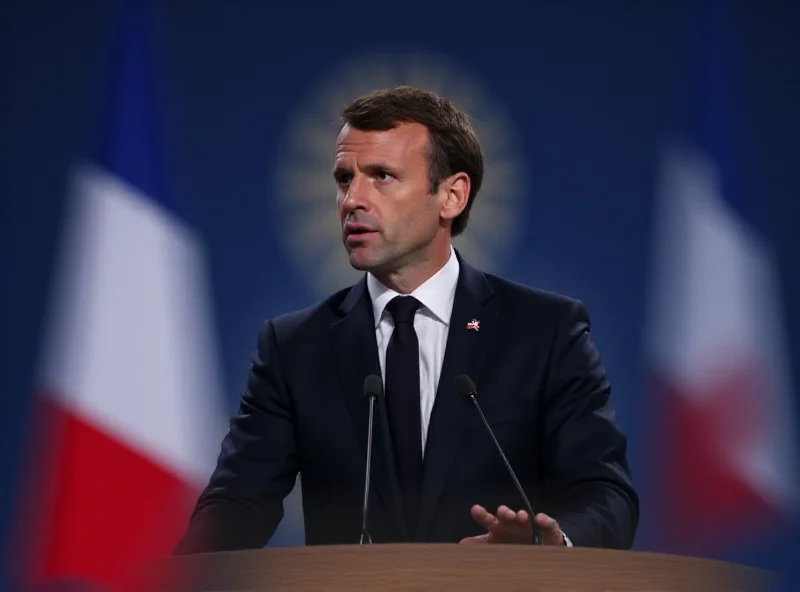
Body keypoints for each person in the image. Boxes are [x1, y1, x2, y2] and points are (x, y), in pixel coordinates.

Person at [174, 86, 638, 553]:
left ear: (452, 196)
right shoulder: (294, 347)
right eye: (343, 178)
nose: (352, 199)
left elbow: (607, 496)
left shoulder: (544, 332)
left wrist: (550, 544)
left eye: (381, 176)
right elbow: (237, 502)